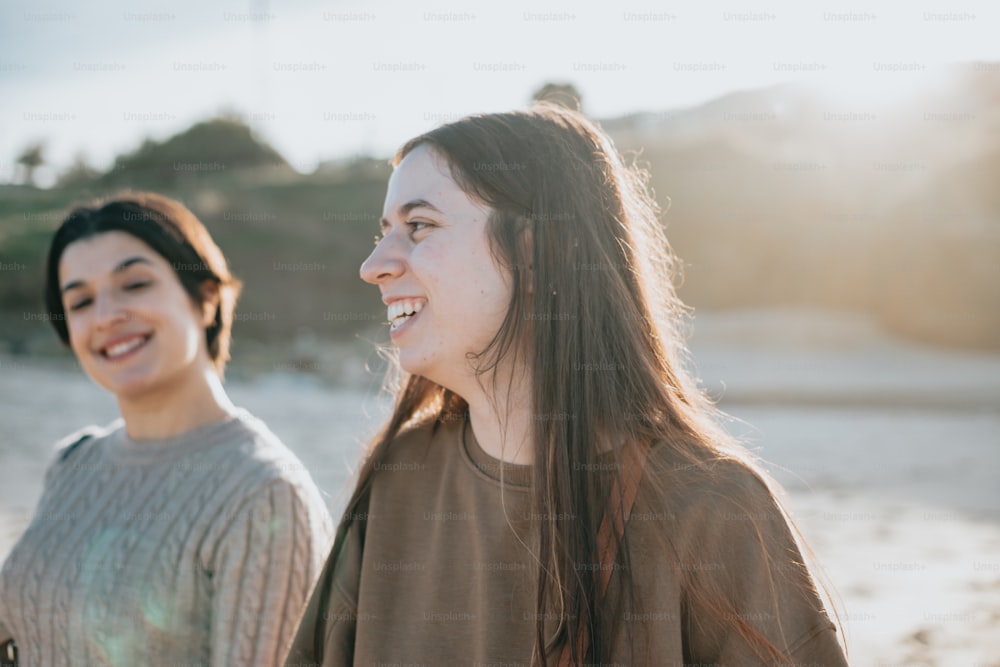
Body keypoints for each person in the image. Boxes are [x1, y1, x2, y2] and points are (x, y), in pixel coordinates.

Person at [284, 105, 848, 666]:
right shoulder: (396, 479)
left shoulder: (711, 509)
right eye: (384, 233)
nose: (374, 264)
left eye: (420, 226)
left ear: (541, 249)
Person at [0, 192, 333, 666]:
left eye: (134, 284)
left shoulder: (265, 493)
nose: (106, 315)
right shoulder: (73, 461)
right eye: (80, 301)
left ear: (206, 298)